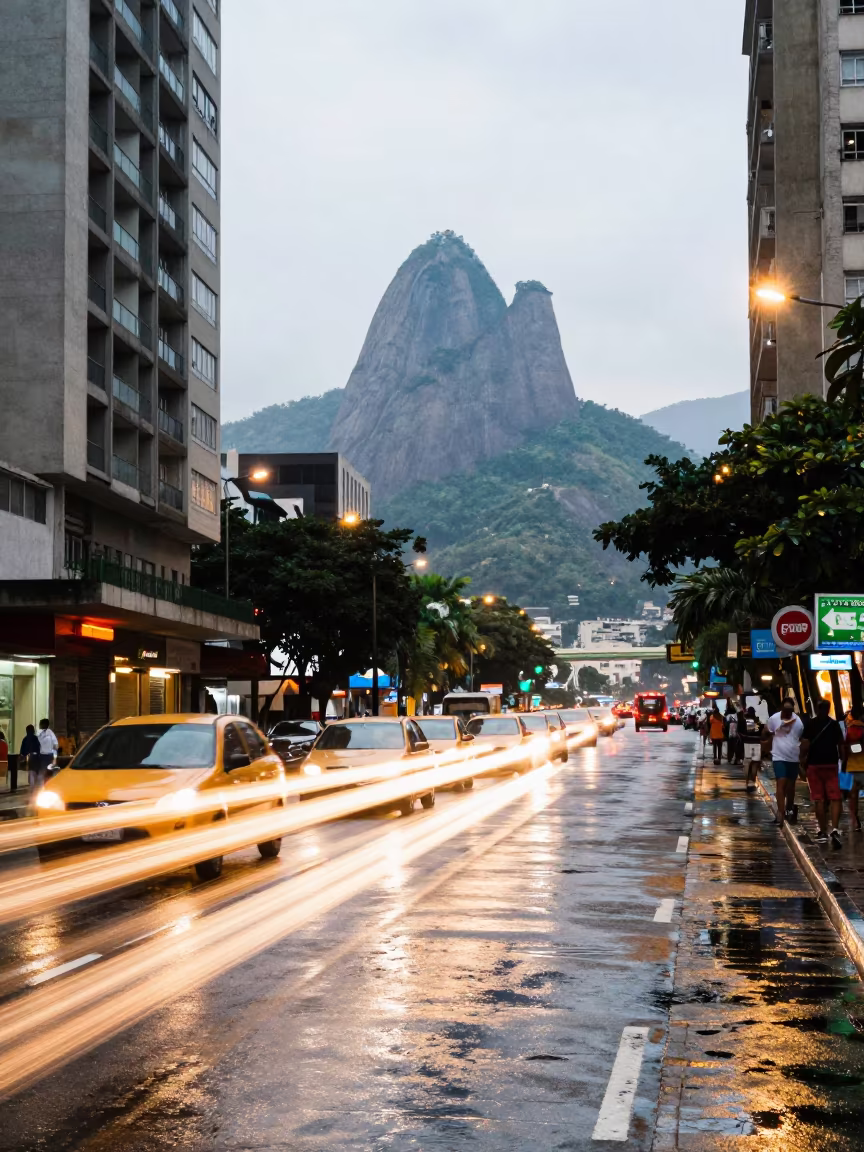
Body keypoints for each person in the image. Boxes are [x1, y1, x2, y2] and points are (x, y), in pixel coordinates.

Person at [800, 699, 845, 847]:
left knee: (818, 799)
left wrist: (801, 760)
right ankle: (835, 828)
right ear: (829, 708)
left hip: (814, 766)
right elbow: (841, 745)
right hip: (831, 764)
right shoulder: (834, 725)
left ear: (817, 708)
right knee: (835, 798)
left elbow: (805, 745)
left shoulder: (811, 724)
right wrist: (843, 762)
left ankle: (823, 831)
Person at [766, 697, 804, 827]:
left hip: (793, 757)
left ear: (793, 710)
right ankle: (780, 814)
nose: (787, 713)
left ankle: (789, 808)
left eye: (789, 710)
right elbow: (767, 730)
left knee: (790, 786)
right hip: (779, 757)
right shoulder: (774, 719)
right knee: (780, 784)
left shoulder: (798, 722)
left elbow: (800, 738)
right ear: (781, 708)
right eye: (785, 710)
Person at [843, 704, 864, 835]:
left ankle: (855, 820)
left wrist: (844, 765)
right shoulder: (863, 729)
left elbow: (845, 749)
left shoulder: (849, 729)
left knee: (853, 796)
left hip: (851, 766)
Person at [32, 718, 58, 797]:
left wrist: (54, 757)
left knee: (45, 774)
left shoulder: (50, 733)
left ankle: (47, 790)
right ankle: (42, 791)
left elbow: (55, 746)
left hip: (48, 756)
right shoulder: (39, 733)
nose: (40, 725)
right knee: (42, 774)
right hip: (42, 756)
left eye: (41, 724)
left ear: (45, 725)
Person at [741, 707, 764, 792]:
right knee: (755, 763)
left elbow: (746, 732)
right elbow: (760, 733)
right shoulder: (758, 722)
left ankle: (747, 782)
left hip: (748, 744)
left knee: (747, 762)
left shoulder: (747, 722)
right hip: (757, 744)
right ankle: (752, 782)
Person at [19, 724, 41, 797]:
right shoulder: (36, 738)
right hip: (37, 757)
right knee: (36, 772)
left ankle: (32, 788)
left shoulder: (25, 739)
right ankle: (38, 787)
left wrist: (22, 756)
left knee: (31, 772)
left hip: (30, 756)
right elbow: (39, 747)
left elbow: (23, 750)